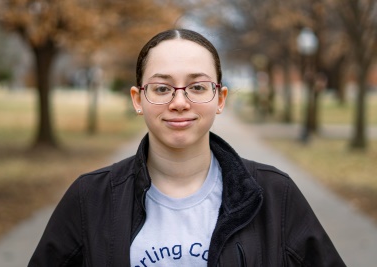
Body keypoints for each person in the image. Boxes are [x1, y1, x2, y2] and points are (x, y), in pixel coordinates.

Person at [28, 29, 345, 267]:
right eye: (162, 88)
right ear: (138, 100)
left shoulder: (275, 194)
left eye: (197, 87)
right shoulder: (90, 197)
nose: (179, 102)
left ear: (220, 99)